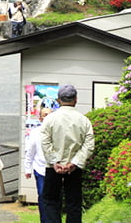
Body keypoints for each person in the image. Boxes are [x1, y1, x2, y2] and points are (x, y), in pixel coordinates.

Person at [40, 84, 94, 223]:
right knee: (74, 203)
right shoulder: (84, 120)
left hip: (53, 168)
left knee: (51, 201)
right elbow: (89, 144)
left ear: (58, 100)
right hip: (74, 168)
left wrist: (55, 162)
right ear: (75, 99)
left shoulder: (49, 119)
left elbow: (45, 142)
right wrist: (74, 162)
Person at [23, 108, 52, 221]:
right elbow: (30, 152)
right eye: (45, 115)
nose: (47, 117)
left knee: (54, 196)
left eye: (49, 115)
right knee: (42, 194)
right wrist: (27, 169)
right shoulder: (35, 133)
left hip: (54, 168)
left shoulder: (57, 131)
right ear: (40, 118)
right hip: (40, 168)